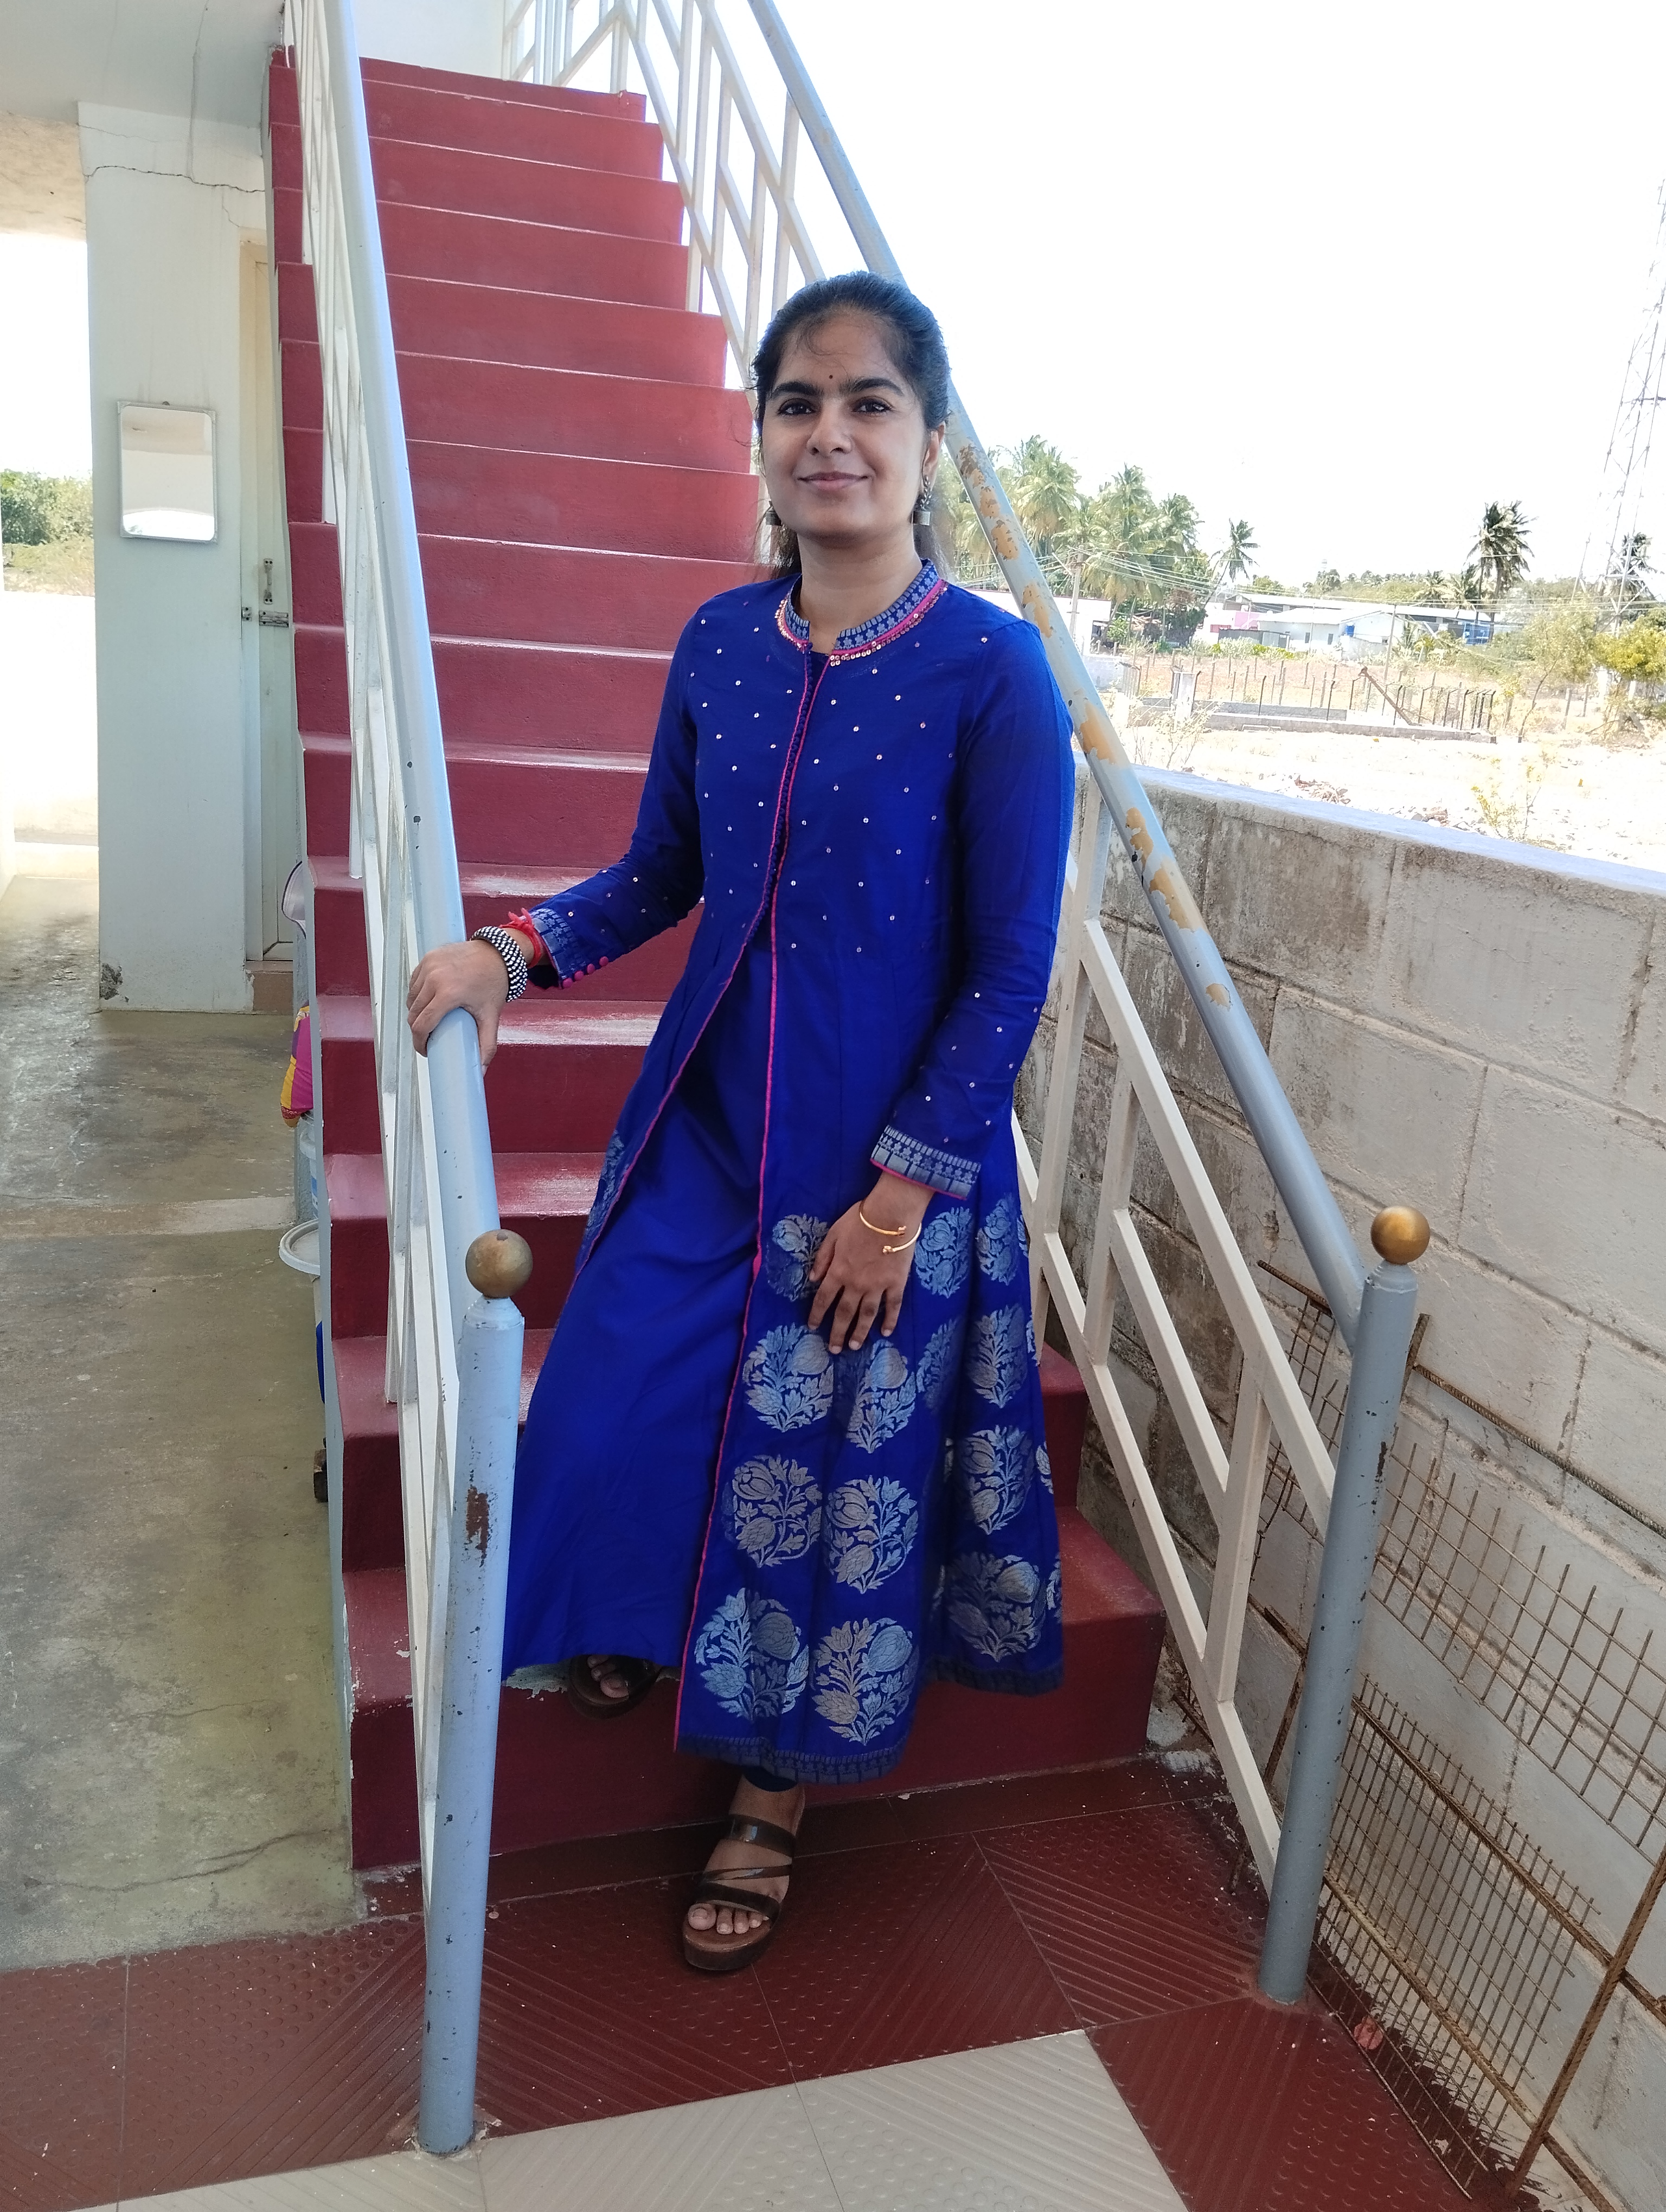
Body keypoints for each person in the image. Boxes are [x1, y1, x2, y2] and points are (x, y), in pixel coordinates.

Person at [406, 273, 1073, 1972]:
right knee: (607, 1391)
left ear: (930, 444)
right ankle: (633, 1609)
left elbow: (1011, 969)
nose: (830, 433)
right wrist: (513, 949)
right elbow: (662, 870)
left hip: (886, 1158)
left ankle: (769, 1798)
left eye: (870, 402)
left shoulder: (994, 673)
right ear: (761, 435)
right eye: (797, 401)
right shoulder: (721, 645)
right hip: (709, 1125)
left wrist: (903, 1199)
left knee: (825, 1483)